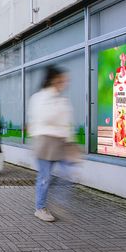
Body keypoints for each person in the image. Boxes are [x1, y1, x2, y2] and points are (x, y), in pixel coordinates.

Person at [27, 66, 73, 222]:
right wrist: (58, 108)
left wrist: (70, 142)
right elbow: (45, 118)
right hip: (45, 142)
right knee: (44, 177)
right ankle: (40, 208)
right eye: (62, 79)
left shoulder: (61, 99)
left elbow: (66, 123)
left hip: (60, 143)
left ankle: (58, 202)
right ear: (53, 79)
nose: (65, 83)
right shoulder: (40, 98)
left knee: (67, 174)